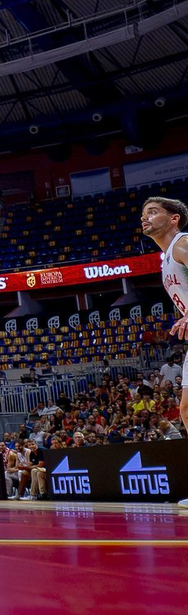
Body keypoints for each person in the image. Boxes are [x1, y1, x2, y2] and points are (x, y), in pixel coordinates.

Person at [140, 196, 188, 506]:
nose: (146, 218)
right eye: (143, 214)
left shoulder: (182, 244)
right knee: (186, 410)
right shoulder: (166, 257)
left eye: (154, 212)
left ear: (174, 219)